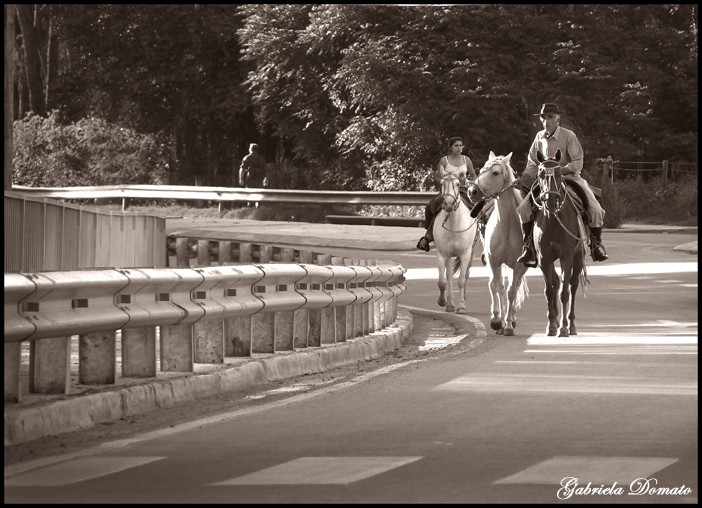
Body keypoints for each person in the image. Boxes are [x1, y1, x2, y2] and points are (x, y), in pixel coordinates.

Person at [513, 103, 608, 267]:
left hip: (569, 178)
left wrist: (559, 170)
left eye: (550, 117)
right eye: (543, 117)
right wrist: (524, 178)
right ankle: (528, 246)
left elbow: (578, 162)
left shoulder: (569, 135)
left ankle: (596, 244)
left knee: (596, 210)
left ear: (558, 118)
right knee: (523, 208)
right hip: (544, 180)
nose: (546, 120)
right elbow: (532, 163)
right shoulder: (539, 137)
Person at [416, 137, 478, 252]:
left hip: (463, 190)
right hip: (447, 190)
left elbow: (473, 175)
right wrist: (446, 179)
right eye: (456, 145)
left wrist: (470, 182)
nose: (459, 148)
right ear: (450, 147)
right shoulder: (444, 160)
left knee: (478, 207)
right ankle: (428, 234)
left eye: (460, 145)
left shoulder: (466, 160)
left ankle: (480, 232)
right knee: (431, 206)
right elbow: (439, 177)